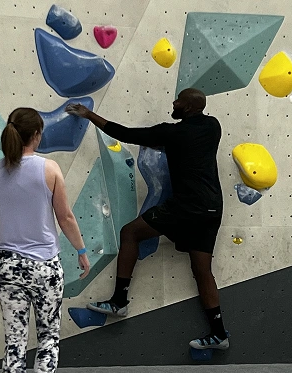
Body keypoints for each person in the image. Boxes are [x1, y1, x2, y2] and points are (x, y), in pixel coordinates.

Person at [65, 88, 229, 350]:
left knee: (130, 233)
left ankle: (119, 301)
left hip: (185, 207)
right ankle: (219, 334)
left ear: (186, 107)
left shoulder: (172, 132)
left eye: (178, 100)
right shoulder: (213, 126)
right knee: (202, 271)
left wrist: (88, 114)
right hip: (211, 209)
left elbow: (126, 134)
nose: (173, 103)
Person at [0, 107, 90, 373]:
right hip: (45, 269)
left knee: (14, 342)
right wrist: (81, 251)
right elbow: (65, 218)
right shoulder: (50, 169)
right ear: (37, 135)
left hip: (9, 269)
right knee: (48, 338)